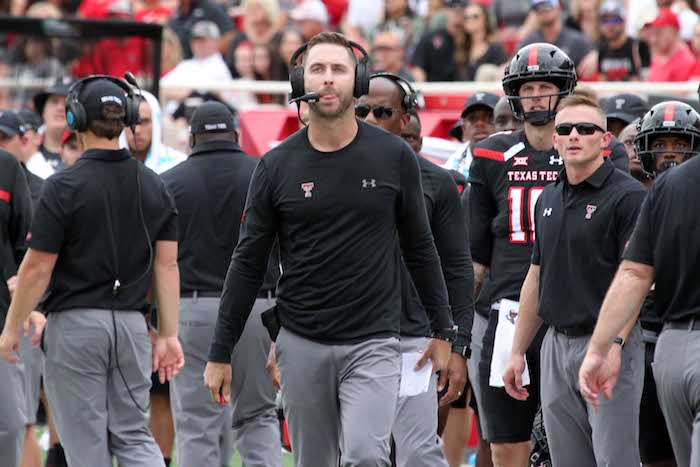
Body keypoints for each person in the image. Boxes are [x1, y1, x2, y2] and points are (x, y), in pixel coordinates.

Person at [204, 32, 453, 467]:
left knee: (365, 456)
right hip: (301, 341)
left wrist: (444, 330)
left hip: (375, 339)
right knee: (313, 460)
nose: (328, 79)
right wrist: (220, 352)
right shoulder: (275, 165)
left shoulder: (394, 156)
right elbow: (247, 263)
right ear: (301, 81)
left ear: (357, 80)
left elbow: (420, 247)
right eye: (317, 69)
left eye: (338, 69)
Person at [0, 76, 185, 467]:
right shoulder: (155, 185)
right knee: (135, 436)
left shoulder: (62, 186)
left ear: (74, 117)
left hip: (75, 326)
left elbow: (36, 268)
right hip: (134, 327)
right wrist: (168, 333)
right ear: (128, 118)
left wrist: (13, 326)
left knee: (86, 446)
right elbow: (166, 265)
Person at [468, 42, 628, 467]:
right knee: (504, 439)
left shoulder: (600, 155)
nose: (537, 96)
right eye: (528, 87)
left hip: (583, 312)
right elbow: (476, 257)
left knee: (596, 443)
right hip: (508, 311)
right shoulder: (490, 154)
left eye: (546, 86)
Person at [501, 94, 646, 466]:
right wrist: (517, 351)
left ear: (605, 139)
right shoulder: (547, 197)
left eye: (586, 129)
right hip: (555, 346)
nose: (575, 136)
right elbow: (536, 275)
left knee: (615, 459)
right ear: (555, 140)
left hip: (609, 343)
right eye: (565, 129)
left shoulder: (628, 197)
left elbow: (636, 280)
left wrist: (613, 344)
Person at [355, 72, 474, 467]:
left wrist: (458, 345)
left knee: (418, 452)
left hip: (414, 339)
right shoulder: (330, 171)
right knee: (356, 452)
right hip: (347, 336)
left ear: (405, 119)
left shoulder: (438, 184)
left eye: (383, 111)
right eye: (362, 110)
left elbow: (457, 268)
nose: (371, 119)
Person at [578, 98, 700, 467]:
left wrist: (600, 347)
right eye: (660, 144)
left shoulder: (664, 191)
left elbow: (633, 274)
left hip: (670, 345)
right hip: (654, 340)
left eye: (678, 144)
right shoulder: (643, 194)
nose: (668, 154)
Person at [162, 101, 281, 467]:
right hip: (257, 307)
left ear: (192, 139)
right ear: (234, 134)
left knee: (197, 423)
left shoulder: (169, 182)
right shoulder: (263, 173)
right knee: (258, 416)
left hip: (192, 310)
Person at [0, 121, 36, 467]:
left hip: (2, 321)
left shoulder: (7, 167)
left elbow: (25, 240)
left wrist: (21, 285)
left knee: (10, 424)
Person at [124, 91, 186, 174]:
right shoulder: (109, 167)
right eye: (130, 122)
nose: (137, 130)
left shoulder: (177, 164)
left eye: (144, 122)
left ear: (156, 123)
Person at [444, 92, 499, 180]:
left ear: (502, 124)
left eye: (489, 117)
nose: (479, 123)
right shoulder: (451, 167)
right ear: (464, 129)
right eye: (472, 118)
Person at [28, 77, 72, 178]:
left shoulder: (86, 151)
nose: (60, 108)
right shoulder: (26, 145)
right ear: (43, 110)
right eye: (54, 101)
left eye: (67, 103)